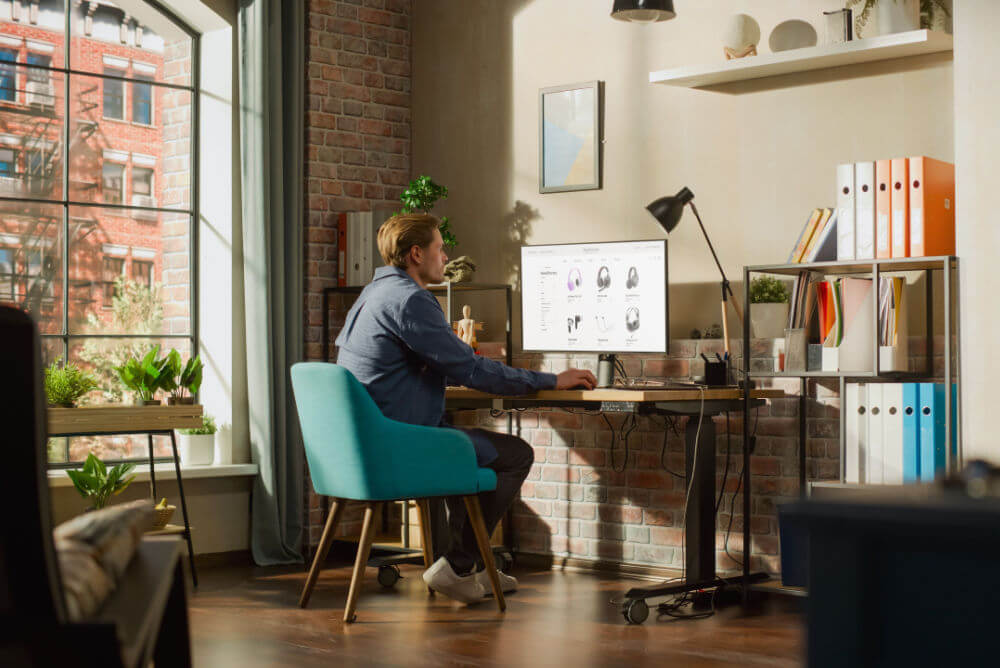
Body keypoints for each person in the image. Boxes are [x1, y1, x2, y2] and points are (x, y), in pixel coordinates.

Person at [335, 213, 596, 604]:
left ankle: (468, 566)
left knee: (461, 446)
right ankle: (459, 566)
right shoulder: (410, 300)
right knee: (514, 454)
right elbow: (473, 369)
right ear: (417, 254)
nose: (445, 257)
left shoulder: (373, 294)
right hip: (398, 447)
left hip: (361, 448)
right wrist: (551, 380)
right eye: (441, 249)